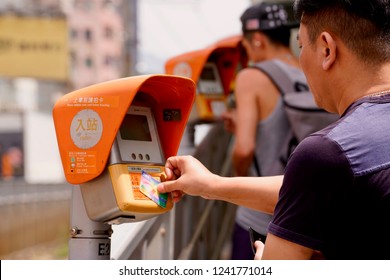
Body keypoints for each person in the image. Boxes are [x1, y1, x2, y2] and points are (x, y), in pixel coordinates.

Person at [158, 0, 390, 260]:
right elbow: (317, 186)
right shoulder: (332, 165)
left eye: (301, 45)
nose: (299, 57)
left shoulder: (326, 153)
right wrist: (211, 184)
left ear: (326, 49)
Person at [221, 2, 306, 260]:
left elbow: (244, 148)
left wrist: (238, 183)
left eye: (246, 46)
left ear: (257, 40)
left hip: (259, 219)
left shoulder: (252, 76)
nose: (248, 53)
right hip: (303, 212)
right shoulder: (309, 73)